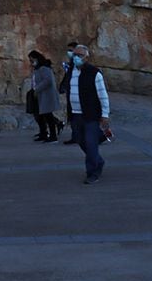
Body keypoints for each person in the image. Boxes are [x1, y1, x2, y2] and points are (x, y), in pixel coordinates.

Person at [69, 44, 111, 184]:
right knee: (81, 141)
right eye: (75, 54)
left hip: (91, 114)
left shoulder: (94, 73)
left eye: (80, 55)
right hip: (75, 114)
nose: (76, 58)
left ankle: (92, 172)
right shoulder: (71, 71)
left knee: (91, 143)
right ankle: (98, 161)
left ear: (86, 57)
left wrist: (105, 114)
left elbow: (103, 95)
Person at [28, 50, 61, 142]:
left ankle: (53, 136)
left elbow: (47, 81)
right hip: (40, 96)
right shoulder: (37, 69)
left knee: (48, 116)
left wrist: (37, 89)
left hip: (46, 96)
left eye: (32, 60)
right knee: (40, 116)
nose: (31, 62)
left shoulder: (44, 68)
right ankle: (43, 133)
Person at [59, 41, 79, 145]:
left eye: (71, 50)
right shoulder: (71, 63)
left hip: (76, 94)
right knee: (73, 116)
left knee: (77, 116)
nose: (69, 53)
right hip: (71, 93)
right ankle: (75, 136)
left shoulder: (77, 63)